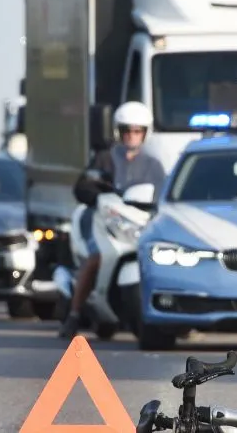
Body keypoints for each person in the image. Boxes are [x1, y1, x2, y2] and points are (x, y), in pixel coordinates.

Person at [58, 101, 167, 339]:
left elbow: (162, 194)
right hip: (101, 218)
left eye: (137, 131)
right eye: (127, 130)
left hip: (136, 221)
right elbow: (83, 186)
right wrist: (96, 194)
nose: (131, 135)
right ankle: (74, 314)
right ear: (118, 131)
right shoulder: (104, 158)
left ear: (145, 133)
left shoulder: (154, 165)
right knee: (97, 256)